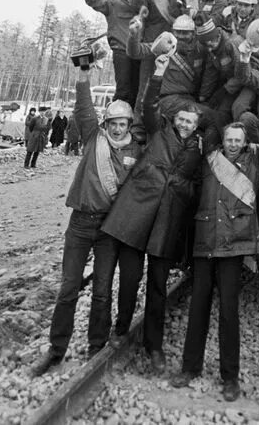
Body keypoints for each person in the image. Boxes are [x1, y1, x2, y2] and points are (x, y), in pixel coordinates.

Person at [32, 68, 140, 375]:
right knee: (68, 288)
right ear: (106, 124)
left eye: (123, 124)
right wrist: (83, 77)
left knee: (102, 290)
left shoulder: (136, 150)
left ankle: (96, 347)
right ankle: (56, 349)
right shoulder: (95, 136)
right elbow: (83, 108)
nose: (118, 129)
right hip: (80, 223)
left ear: (128, 124)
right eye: (113, 123)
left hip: (108, 228)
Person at [172, 116, 259, 401]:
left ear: (245, 143)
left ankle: (230, 377)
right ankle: (190, 367)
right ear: (223, 141)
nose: (233, 145)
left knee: (228, 311)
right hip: (205, 243)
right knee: (198, 307)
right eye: (229, 140)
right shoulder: (209, 160)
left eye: (238, 140)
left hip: (232, 247)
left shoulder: (253, 164)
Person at [101, 55, 203, 373]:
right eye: (182, 119)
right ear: (175, 120)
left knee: (158, 285)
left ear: (196, 126)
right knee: (130, 279)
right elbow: (148, 102)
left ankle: (153, 345)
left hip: (166, 223)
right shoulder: (159, 131)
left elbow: (198, 185)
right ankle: (120, 329)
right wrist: (158, 72)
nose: (185, 124)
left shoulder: (198, 151)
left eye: (191, 122)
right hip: (138, 214)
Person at [79, 0, 140, 107]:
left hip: (140, 52)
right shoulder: (113, 3)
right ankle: (116, 115)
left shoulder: (144, 4)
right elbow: (93, 0)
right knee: (123, 88)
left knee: (138, 90)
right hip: (122, 51)